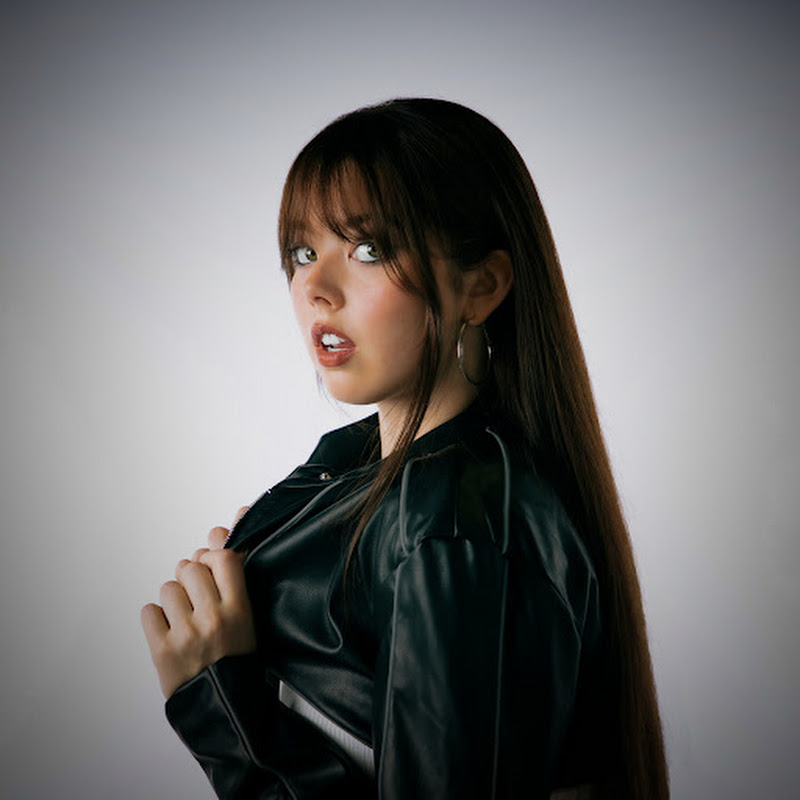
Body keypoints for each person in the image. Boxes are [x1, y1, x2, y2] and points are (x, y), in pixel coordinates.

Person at [141, 98, 669, 799]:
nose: (314, 288)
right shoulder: (370, 469)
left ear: (482, 286)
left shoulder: (455, 524)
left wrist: (222, 705)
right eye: (302, 253)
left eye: (369, 250)